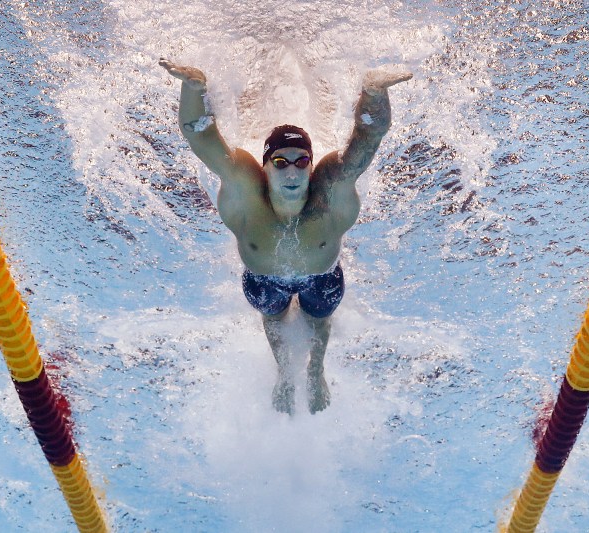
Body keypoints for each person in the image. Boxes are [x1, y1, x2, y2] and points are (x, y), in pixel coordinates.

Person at [160, 58, 411, 414]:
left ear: (311, 165)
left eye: (301, 161)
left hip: (321, 278)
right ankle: (283, 374)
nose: (292, 171)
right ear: (265, 166)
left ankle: (315, 370)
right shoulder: (245, 193)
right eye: (281, 161)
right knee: (274, 321)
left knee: (319, 321)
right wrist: (195, 85)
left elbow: (369, 138)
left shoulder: (330, 193)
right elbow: (199, 134)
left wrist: (373, 92)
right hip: (264, 281)